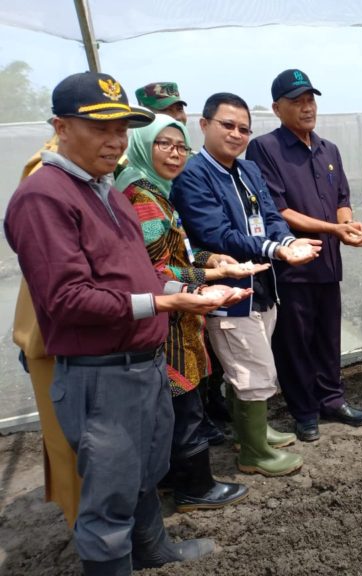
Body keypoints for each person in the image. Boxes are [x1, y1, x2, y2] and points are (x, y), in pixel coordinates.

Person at [4, 71, 251, 575]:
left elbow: (138, 273)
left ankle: (152, 549)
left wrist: (185, 291)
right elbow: (67, 299)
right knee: (108, 497)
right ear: (60, 126)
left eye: (121, 128)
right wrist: (162, 307)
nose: (114, 140)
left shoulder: (108, 189)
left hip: (143, 363)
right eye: (100, 128)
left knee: (144, 473)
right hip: (100, 374)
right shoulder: (44, 196)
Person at [172, 92, 320, 475]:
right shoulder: (193, 176)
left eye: (244, 129)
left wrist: (287, 240)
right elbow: (217, 235)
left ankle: (249, 431)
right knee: (251, 369)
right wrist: (277, 249)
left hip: (262, 283)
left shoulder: (247, 169)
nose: (237, 135)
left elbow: (270, 214)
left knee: (252, 361)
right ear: (203, 126)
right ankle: (254, 453)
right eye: (227, 125)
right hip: (229, 289)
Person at [116, 114, 255, 512]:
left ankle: (171, 479)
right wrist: (210, 277)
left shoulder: (157, 190)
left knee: (177, 403)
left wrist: (212, 261)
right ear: (143, 145)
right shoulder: (143, 196)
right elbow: (158, 269)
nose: (176, 155)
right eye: (164, 145)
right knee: (183, 401)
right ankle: (195, 486)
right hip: (170, 318)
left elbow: (177, 252)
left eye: (181, 147)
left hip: (176, 310)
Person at [246, 69, 362, 442]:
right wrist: (333, 229)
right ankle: (304, 410)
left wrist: (349, 226)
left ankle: (332, 399)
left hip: (328, 264)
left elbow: (342, 201)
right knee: (295, 340)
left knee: (327, 335)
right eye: (296, 101)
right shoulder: (265, 148)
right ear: (276, 108)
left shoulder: (328, 149)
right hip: (293, 266)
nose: (306, 108)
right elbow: (277, 210)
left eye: (310, 100)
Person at [12, 137, 80, 528]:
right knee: (72, 444)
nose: (114, 139)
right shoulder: (47, 183)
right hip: (58, 337)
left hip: (76, 333)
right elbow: (64, 289)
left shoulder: (93, 176)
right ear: (65, 126)